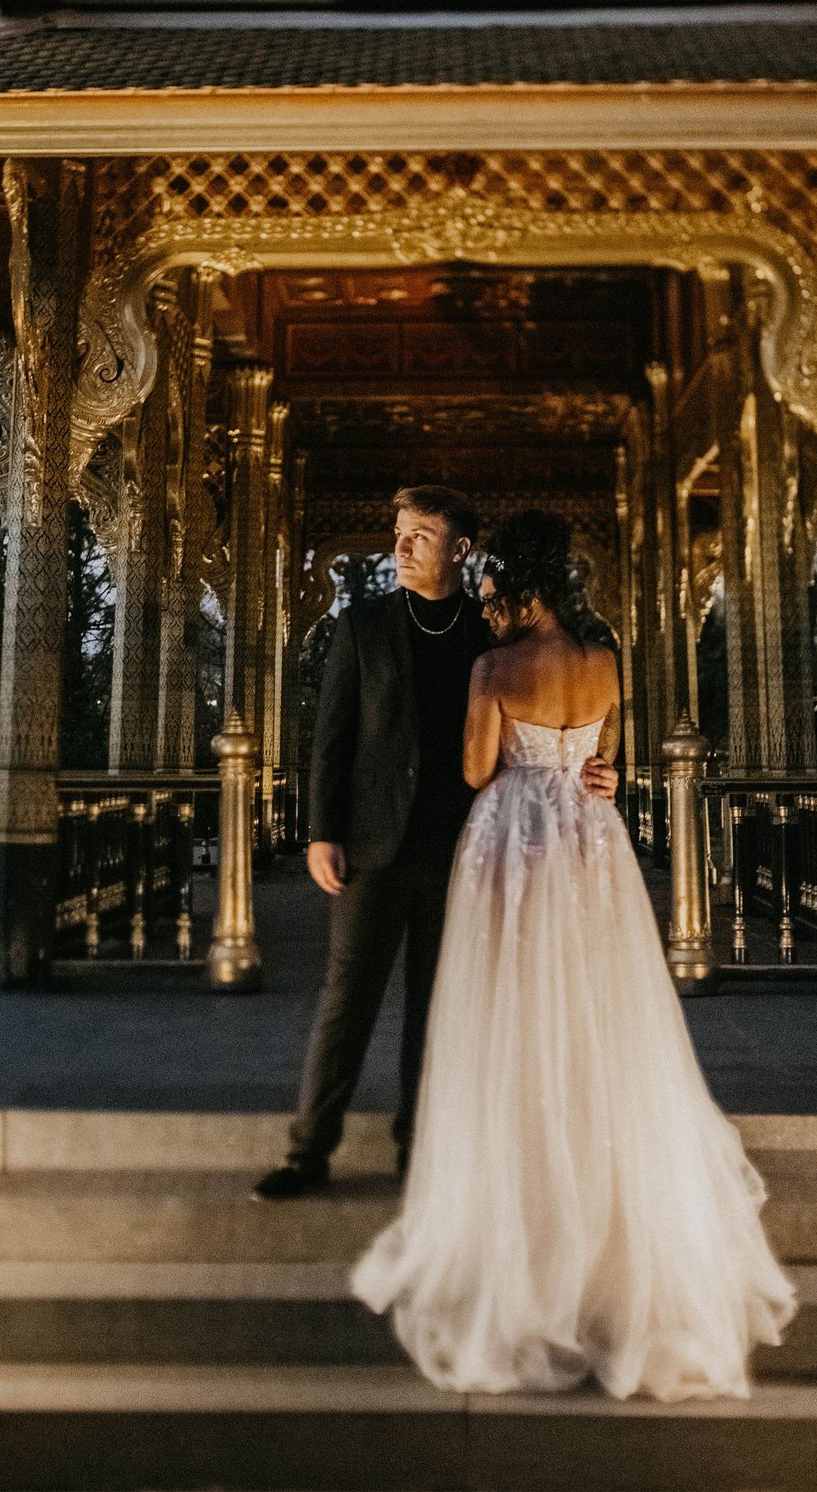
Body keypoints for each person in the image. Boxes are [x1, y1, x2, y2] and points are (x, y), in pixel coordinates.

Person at [350, 511, 795, 1399]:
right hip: (591, 843)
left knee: (514, 1013)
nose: (482, 609)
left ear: (524, 588)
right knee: (595, 1015)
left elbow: (480, 770)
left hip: (515, 841)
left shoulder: (492, 669)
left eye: (489, 594)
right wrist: (597, 774)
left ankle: (522, 1236)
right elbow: (607, 760)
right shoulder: (603, 664)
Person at [255, 486, 615, 1202]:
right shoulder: (362, 626)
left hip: (467, 848)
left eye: (421, 533)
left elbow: (545, 717)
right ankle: (309, 1149)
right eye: (399, 531)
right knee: (346, 998)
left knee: (438, 1005)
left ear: (460, 549)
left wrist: (594, 770)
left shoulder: (494, 638)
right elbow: (329, 742)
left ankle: (417, 1150)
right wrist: (321, 832)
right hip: (370, 845)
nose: (403, 544)